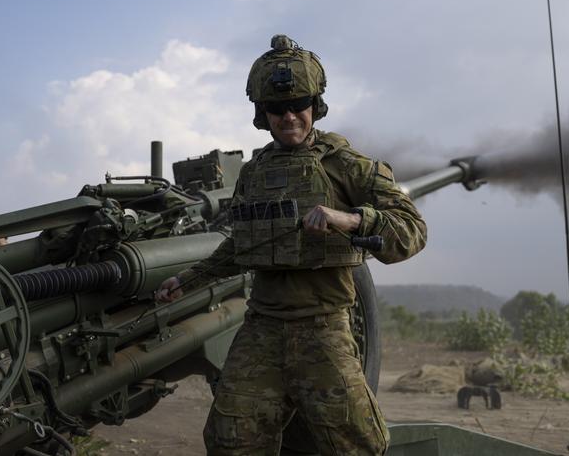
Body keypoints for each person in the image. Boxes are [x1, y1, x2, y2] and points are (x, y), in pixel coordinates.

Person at [157, 35, 426, 455]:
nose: (289, 117)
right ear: (262, 115)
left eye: (298, 104)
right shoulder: (253, 173)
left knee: (354, 443)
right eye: (276, 109)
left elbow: (411, 231)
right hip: (263, 327)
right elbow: (244, 244)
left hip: (322, 327)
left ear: (315, 106)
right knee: (229, 440)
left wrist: (351, 219)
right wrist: (187, 280)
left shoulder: (348, 165)